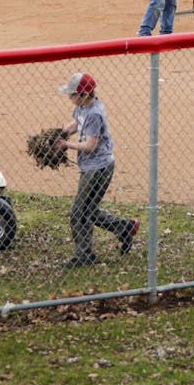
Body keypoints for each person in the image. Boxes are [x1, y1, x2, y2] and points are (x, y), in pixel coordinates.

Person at [54, 72, 138, 267]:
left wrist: (66, 144)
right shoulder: (82, 107)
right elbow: (76, 123)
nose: (69, 97)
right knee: (88, 210)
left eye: (72, 94)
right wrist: (61, 133)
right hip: (91, 166)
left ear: (84, 94)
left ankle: (84, 256)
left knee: (79, 212)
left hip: (98, 168)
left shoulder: (94, 114)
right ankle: (124, 227)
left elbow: (90, 146)